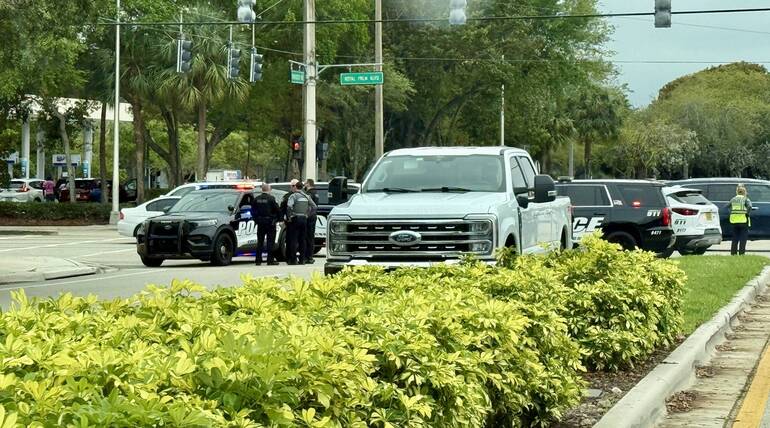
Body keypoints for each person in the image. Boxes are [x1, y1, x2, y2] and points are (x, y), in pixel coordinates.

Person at [251, 183, 280, 265]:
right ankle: (270, 260)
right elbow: (277, 210)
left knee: (260, 241)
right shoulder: (271, 199)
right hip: (270, 223)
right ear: (269, 189)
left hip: (260, 223)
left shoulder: (257, 199)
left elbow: (252, 211)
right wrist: (278, 219)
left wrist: (256, 220)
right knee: (270, 242)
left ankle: (258, 260)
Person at [285, 180, 311, 265]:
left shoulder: (293, 196)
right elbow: (313, 206)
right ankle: (302, 260)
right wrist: (307, 214)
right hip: (304, 219)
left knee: (293, 239)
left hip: (295, 219)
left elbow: (289, 207)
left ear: (295, 187)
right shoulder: (306, 196)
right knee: (302, 240)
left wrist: (289, 217)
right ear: (303, 187)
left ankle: (293, 260)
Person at [728, 184, 752, 256]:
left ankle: (733, 253)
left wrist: (731, 213)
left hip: (734, 221)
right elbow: (750, 206)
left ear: (737, 191)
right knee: (743, 238)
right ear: (744, 192)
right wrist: (747, 213)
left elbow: (727, 206)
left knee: (735, 238)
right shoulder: (746, 199)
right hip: (743, 221)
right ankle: (741, 253)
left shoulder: (733, 199)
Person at [303, 179, 320, 264]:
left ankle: (307, 257)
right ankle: (310, 256)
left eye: (305, 183)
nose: (304, 185)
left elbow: (308, 206)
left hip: (309, 217)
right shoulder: (316, 193)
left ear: (308, 184)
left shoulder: (309, 194)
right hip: (314, 216)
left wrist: (306, 215)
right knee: (311, 237)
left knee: (307, 237)